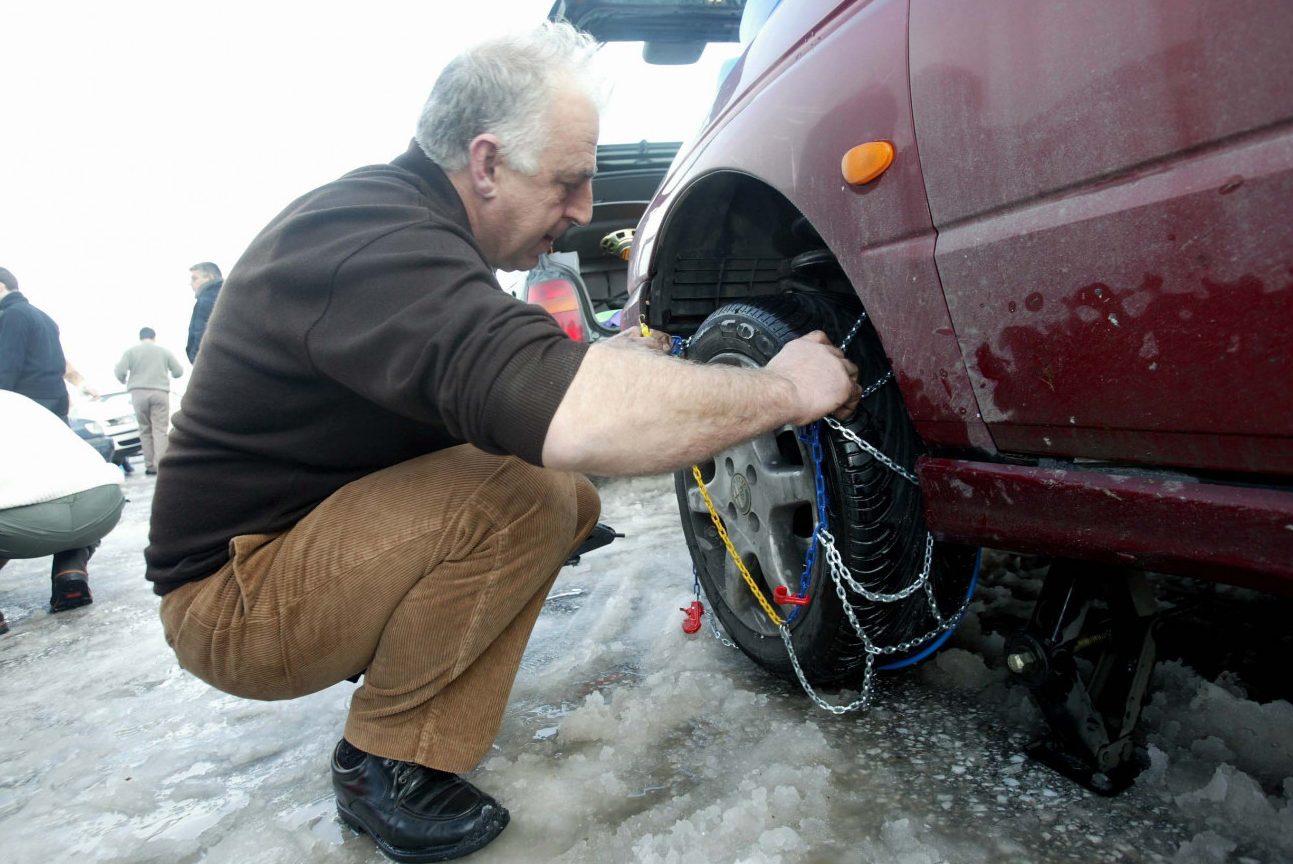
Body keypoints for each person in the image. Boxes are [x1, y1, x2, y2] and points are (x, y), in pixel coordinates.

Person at [146, 22, 860, 864]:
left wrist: (603, 366)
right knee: (526, 499)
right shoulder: (369, 238)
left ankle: (402, 715)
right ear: (485, 164)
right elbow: (580, 419)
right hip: (234, 599)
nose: (585, 211)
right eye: (567, 181)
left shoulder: (406, 229)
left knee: (560, 500)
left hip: (296, 551)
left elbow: (512, 381)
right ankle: (387, 765)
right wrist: (783, 389)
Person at [0, 391, 127, 634]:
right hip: (102, 502)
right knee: (67, 493)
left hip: (27, 522)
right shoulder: (16, 399)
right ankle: (70, 570)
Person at [0, 267, 71, 422]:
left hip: (31, 401)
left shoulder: (13, 315)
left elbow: (8, 365)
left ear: (1, 286)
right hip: (57, 395)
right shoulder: (43, 316)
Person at [114, 327, 184, 475]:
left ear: (140, 337)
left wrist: (123, 380)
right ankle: (162, 465)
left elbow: (120, 370)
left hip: (138, 393)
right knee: (159, 430)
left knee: (144, 429)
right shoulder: (163, 351)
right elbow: (178, 371)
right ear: (154, 337)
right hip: (159, 392)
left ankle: (150, 466)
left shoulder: (131, 352)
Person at [185, 262, 222, 363]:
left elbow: (200, 334)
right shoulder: (228, 296)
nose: (191, 283)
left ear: (209, 277)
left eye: (194, 278)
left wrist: (196, 359)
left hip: (210, 365)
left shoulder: (207, 299)